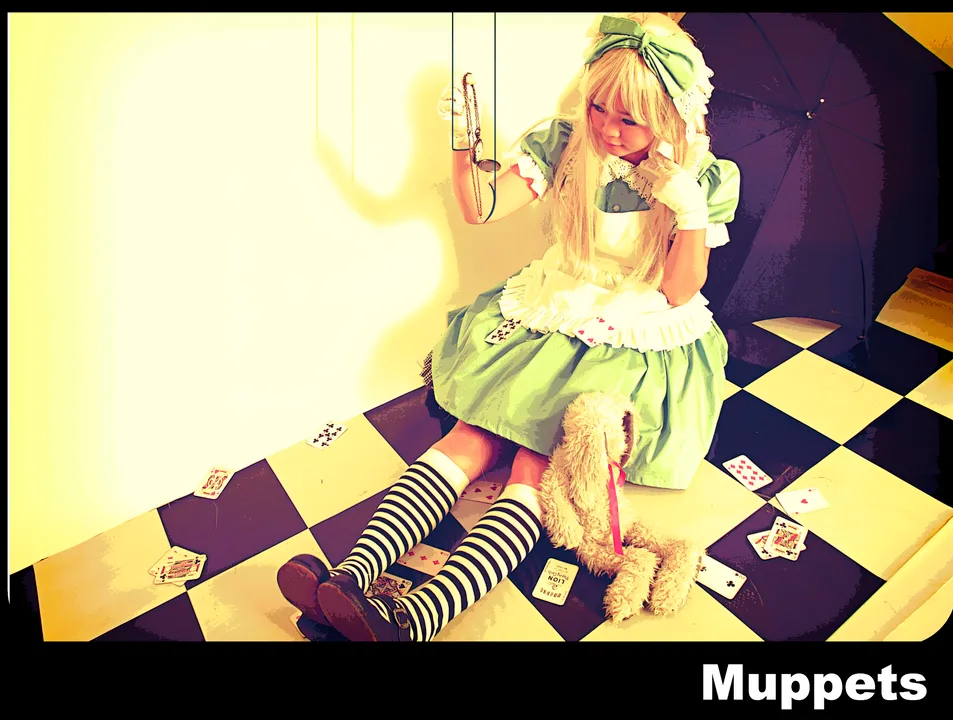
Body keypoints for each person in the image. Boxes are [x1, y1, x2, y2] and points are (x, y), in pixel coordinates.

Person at [277, 11, 740, 642]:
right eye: (598, 106)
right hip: (556, 302)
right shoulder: (566, 143)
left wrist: (687, 207)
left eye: (629, 118)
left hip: (630, 331)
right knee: (469, 436)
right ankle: (347, 579)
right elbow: (481, 208)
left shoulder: (704, 177)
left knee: (532, 462)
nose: (606, 128)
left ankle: (416, 618)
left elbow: (679, 291)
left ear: (667, 116)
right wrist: (462, 141)